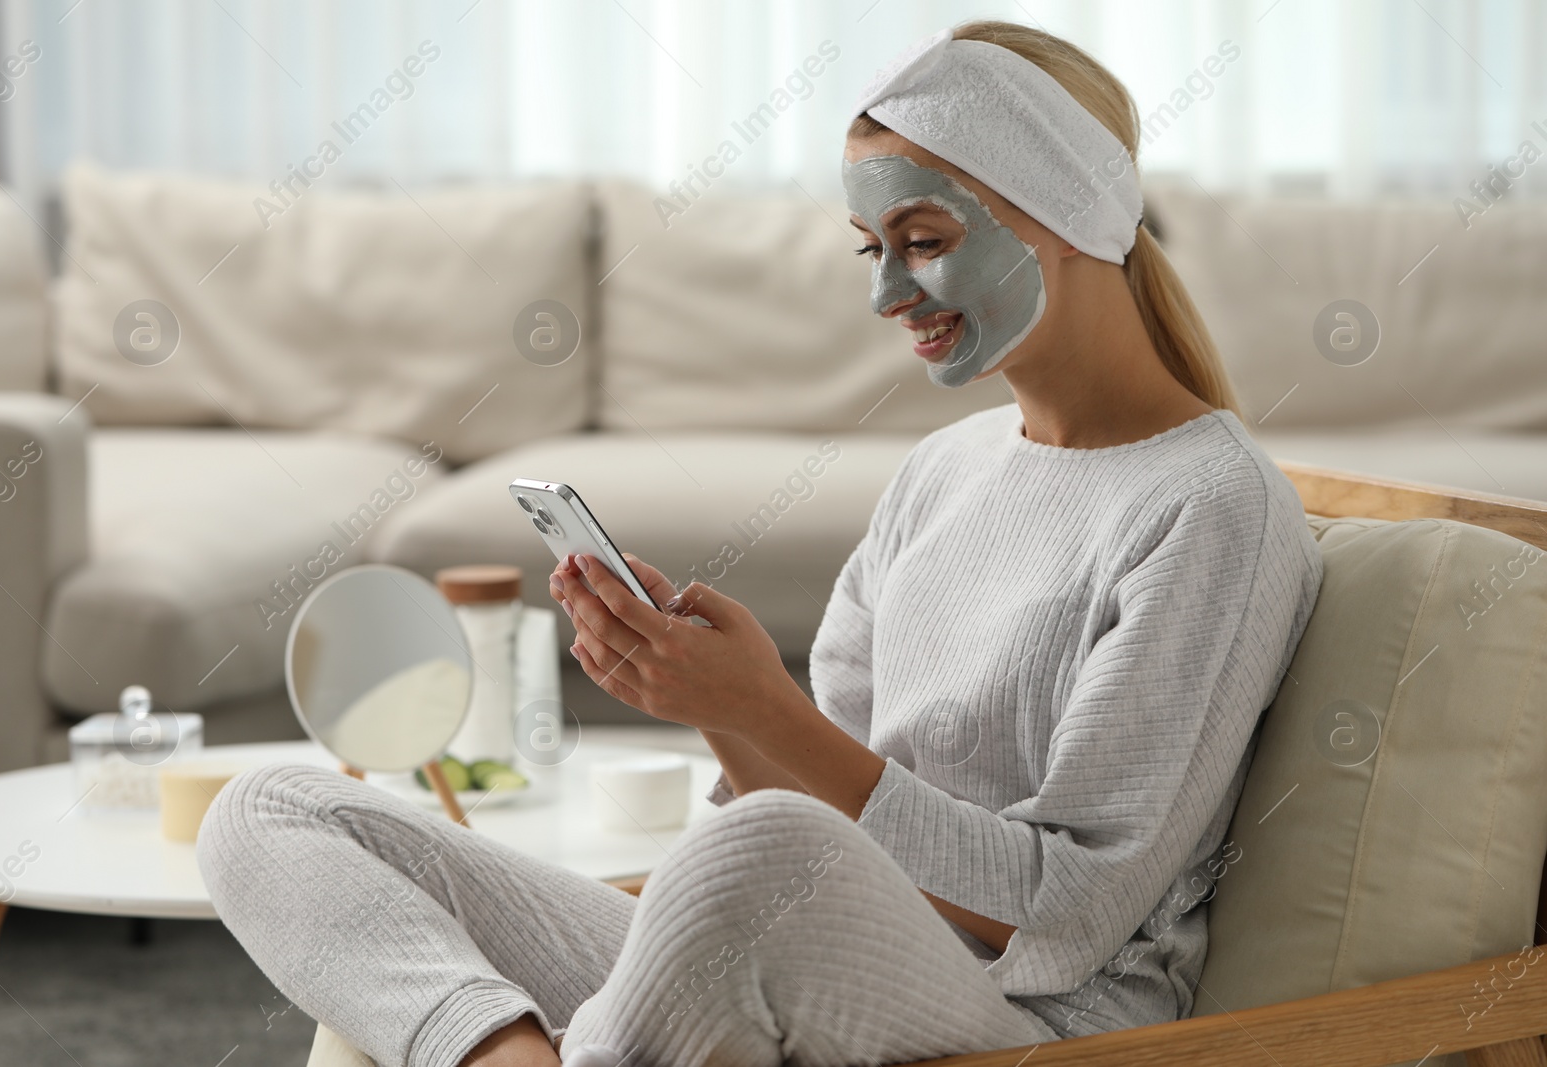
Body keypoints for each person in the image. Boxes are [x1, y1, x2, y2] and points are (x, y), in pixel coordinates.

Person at [198, 20, 1323, 1067]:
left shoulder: (1211, 505)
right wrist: (714, 706)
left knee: (766, 847)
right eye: (867, 249)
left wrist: (763, 713)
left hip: (1032, 1018)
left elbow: (1070, 905)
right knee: (271, 809)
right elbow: (804, 809)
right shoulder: (946, 468)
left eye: (922, 240)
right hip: (806, 941)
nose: (887, 291)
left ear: (1069, 215)